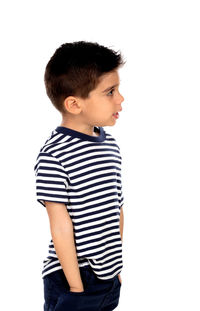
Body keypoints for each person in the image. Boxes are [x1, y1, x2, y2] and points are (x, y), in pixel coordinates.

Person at [34, 41, 125, 311]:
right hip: (72, 277)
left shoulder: (110, 146)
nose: (120, 99)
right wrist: (76, 286)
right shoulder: (55, 155)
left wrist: (115, 269)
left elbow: (116, 209)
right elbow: (60, 225)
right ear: (74, 104)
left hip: (106, 277)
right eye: (110, 92)